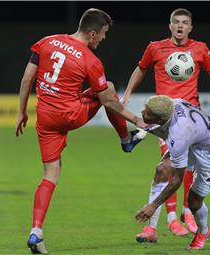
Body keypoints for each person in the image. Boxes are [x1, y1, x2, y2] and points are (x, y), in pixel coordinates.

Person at [15, 8, 147, 254]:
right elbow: (108, 100)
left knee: (50, 174)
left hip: (44, 116)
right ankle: (126, 140)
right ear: (93, 33)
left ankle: (36, 231)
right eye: (104, 34)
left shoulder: (47, 41)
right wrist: (135, 119)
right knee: (105, 88)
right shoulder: (91, 60)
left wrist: (21, 112)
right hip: (69, 114)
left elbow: (26, 79)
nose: (104, 39)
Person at [121, 8, 210, 242]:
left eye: (184, 23)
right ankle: (166, 220)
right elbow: (140, 69)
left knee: (185, 169)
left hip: (192, 118)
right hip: (166, 118)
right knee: (168, 168)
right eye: (176, 22)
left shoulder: (199, 48)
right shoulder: (155, 48)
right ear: (170, 26)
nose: (180, 26)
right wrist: (127, 94)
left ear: (190, 28)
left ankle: (185, 213)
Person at [135, 95, 210, 250]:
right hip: (195, 142)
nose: (142, 111)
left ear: (160, 119)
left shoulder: (178, 136)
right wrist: (107, 100)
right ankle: (151, 229)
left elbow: (176, 181)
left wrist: (153, 205)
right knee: (162, 170)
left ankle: (203, 231)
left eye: (147, 111)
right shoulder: (174, 103)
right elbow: (137, 120)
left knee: (194, 200)